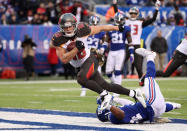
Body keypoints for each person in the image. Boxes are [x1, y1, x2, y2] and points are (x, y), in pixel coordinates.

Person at [51, 13, 146, 108]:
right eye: (65, 27)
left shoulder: (82, 30)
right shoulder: (59, 39)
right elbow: (64, 59)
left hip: (90, 59)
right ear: (61, 28)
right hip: (81, 65)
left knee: (81, 79)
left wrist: (117, 28)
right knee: (106, 85)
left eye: (70, 27)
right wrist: (76, 49)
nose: (68, 29)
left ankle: (105, 95)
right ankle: (133, 93)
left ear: (75, 25)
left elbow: (101, 28)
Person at [97, 48, 181, 124]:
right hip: (152, 105)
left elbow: (129, 103)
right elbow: (119, 114)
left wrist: (114, 99)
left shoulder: (125, 114)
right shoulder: (113, 116)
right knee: (149, 78)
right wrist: (108, 106)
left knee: (163, 105)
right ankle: (150, 56)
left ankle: (176, 105)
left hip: (154, 111)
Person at [124, 0, 161, 82]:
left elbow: (153, 19)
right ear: (129, 14)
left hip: (136, 45)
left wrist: (157, 8)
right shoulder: (125, 21)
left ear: (137, 14)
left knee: (138, 66)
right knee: (120, 62)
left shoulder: (140, 22)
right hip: (126, 44)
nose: (133, 15)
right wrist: (115, 4)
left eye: (134, 13)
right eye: (131, 13)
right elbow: (117, 16)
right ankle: (115, 81)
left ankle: (142, 81)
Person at [105, 12, 132, 97]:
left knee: (117, 70)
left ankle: (117, 90)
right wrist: (102, 49)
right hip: (112, 51)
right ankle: (115, 85)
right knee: (108, 72)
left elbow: (130, 42)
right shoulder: (110, 28)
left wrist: (132, 53)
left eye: (121, 20)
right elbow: (106, 41)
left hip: (120, 51)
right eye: (118, 20)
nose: (119, 21)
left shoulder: (126, 28)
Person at [80, 15, 106, 97]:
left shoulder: (101, 32)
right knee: (84, 72)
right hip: (87, 52)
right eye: (92, 23)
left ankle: (101, 91)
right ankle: (83, 90)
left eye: (95, 24)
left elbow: (104, 42)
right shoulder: (85, 31)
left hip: (97, 53)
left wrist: (102, 49)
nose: (94, 25)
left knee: (98, 72)